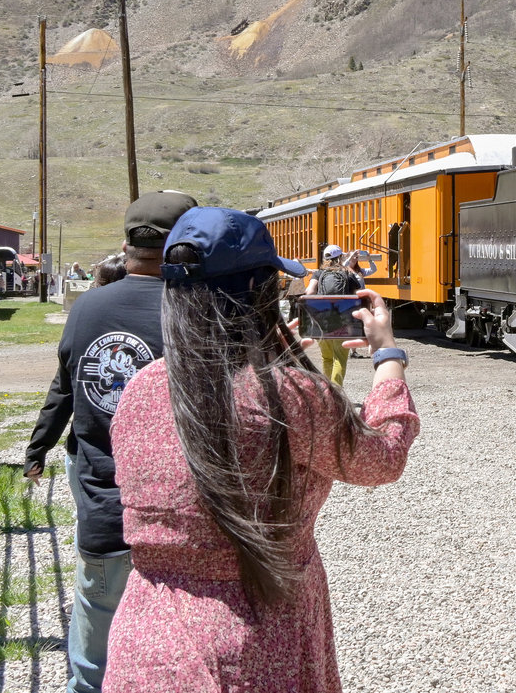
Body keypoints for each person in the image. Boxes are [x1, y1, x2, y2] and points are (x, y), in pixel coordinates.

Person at [104, 208, 418, 692]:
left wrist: (275, 356)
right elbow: (382, 458)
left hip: (146, 637)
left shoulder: (140, 389)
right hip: (259, 643)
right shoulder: (290, 396)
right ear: (258, 291)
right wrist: (387, 357)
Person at [24, 190, 199, 693]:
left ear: (127, 246)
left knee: (96, 632)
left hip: (103, 501)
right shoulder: (194, 309)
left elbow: (66, 386)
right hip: (179, 508)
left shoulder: (87, 307)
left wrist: (38, 447)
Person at [305, 244, 362, 386]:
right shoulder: (347, 273)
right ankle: (337, 391)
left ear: (325, 258)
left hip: (322, 321)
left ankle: (328, 391)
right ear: (340, 257)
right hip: (343, 321)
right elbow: (358, 295)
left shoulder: (319, 273)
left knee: (327, 358)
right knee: (339, 359)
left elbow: (309, 292)